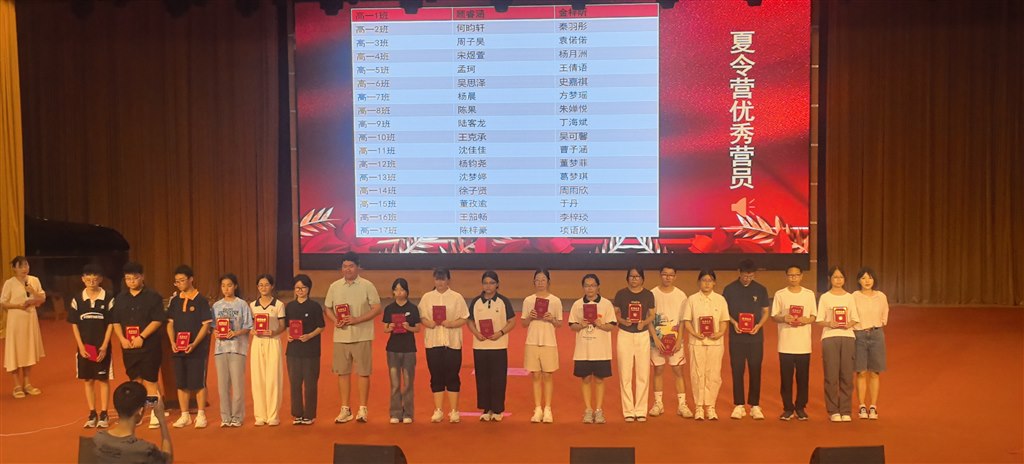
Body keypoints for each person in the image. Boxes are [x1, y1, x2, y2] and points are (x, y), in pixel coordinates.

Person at [323, 252, 382, 424]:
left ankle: (363, 409)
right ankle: (345, 409)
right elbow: (327, 308)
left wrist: (357, 319)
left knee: (363, 372)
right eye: (344, 266)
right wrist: (335, 320)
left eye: (351, 266)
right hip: (341, 337)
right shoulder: (334, 286)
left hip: (362, 335)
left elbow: (377, 308)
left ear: (358, 267)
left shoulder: (367, 285)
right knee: (342, 372)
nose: (347, 269)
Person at [110, 262, 167, 429]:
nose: (131, 282)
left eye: (135, 278)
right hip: (129, 347)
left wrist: (142, 336)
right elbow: (115, 321)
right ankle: (138, 413)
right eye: (128, 279)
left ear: (142, 277)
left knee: (150, 380)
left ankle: (155, 413)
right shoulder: (120, 298)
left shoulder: (153, 297)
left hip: (149, 346)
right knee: (135, 381)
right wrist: (122, 339)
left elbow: (158, 320)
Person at [417, 268, 469, 423]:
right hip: (433, 342)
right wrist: (428, 323)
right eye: (437, 279)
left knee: (452, 375)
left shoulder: (457, 297)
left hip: (452, 342)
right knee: (436, 375)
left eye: (443, 279)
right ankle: (438, 410)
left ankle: (454, 411)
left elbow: (464, 317)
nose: (439, 282)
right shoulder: (427, 297)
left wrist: (451, 323)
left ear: (448, 280)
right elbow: (421, 317)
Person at [165, 265, 213, 429]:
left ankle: (201, 414)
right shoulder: (174, 301)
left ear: (191, 279)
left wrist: (194, 343)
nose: (179, 284)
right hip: (178, 349)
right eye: (176, 281)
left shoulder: (201, 301)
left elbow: (205, 326)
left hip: (196, 349)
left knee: (198, 382)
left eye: (182, 280)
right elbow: (170, 324)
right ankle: (184, 415)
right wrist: (172, 342)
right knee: (181, 382)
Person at [722, 259, 770, 420]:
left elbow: (765, 311)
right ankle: (739, 404)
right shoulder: (729, 289)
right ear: (739, 272)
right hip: (736, 337)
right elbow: (724, 312)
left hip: (755, 338)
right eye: (745, 275)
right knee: (737, 369)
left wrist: (759, 325)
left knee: (755, 369)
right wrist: (734, 323)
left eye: (751, 276)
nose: (747, 278)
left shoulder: (761, 289)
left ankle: (755, 405)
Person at [467, 270, 516, 422]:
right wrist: (476, 333)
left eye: (492, 283)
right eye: (485, 283)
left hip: (498, 346)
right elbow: (470, 321)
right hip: (480, 345)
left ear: (497, 284)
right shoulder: (476, 302)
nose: (488, 286)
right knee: (482, 378)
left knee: (498, 378)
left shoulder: (503, 301)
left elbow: (512, 321)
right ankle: (486, 408)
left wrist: (500, 333)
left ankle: (497, 409)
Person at [770, 265, 818, 421]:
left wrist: (806, 320)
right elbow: (774, 316)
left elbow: (814, 316)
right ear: (787, 276)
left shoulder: (809, 294)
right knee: (786, 379)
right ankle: (788, 408)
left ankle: (801, 407)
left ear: (801, 276)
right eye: (790, 275)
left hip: (803, 344)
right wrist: (784, 318)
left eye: (796, 275)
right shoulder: (780, 294)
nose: (793, 278)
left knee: (803, 378)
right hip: (786, 343)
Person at [68, 264, 114, 428]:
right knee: (88, 379)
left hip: (102, 347)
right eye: (88, 278)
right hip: (85, 347)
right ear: (83, 279)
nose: (92, 281)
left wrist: (104, 345)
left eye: (95, 278)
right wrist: (81, 347)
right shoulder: (77, 299)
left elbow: (111, 323)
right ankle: (92, 413)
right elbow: (74, 324)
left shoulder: (108, 298)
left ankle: (104, 413)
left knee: (103, 379)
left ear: (100, 279)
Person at [681, 269, 729, 420]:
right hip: (697, 342)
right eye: (704, 280)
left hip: (715, 343)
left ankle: (711, 406)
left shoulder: (720, 300)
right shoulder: (692, 299)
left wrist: (720, 333)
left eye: (710, 281)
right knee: (697, 374)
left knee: (714, 374)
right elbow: (687, 321)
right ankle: (699, 407)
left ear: (714, 283)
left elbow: (724, 321)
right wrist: (694, 333)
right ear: (698, 282)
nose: (707, 284)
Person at [568, 273, 616, 424]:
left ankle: (599, 410)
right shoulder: (577, 305)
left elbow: (612, 325)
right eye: (587, 285)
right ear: (583, 287)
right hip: (583, 349)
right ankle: (588, 410)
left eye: (593, 285)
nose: (590, 288)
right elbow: (572, 326)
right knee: (586, 379)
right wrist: (581, 325)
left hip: (601, 350)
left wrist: (600, 324)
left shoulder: (606, 304)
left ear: (598, 287)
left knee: (600, 379)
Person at [816, 265, 861, 423]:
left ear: (845, 279)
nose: (838, 280)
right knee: (831, 375)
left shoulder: (849, 297)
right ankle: (833, 410)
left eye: (841, 277)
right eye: (835, 277)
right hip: (830, 337)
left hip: (847, 337)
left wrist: (848, 324)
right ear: (830, 279)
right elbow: (819, 320)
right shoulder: (825, 297)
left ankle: (846, 410)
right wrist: (830, 323)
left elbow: (855, 318)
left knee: (847, 375)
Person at [648, 264, 692, 419]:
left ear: (675, 277)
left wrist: (679, 340)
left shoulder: (681, 295)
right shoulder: (652, 294)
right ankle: (658, 404)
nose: (668, 277)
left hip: (675, 339)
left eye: (671, 275)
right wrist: (655, 338)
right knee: (658, 370)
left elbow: (683, 320)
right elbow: (649, 319)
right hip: (657, 340)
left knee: (678, 370)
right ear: (660, 275)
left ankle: (682, 405)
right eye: (665, 274)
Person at [612, 266, 656, 422]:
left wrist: (644, 322)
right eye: (631, 276)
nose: (634, 279)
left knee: (643, 374)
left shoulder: (648, 294)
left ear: (642, 278)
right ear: (627, 278)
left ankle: (641, 410)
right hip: (625, 334)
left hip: (642, 335)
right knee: (625, 374)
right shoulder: (621, 294)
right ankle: (628, 410)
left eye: (637, 276)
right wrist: (623, 321)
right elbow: (615, 313)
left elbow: (652, 314)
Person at [93, 380, 173, 464]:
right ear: (140, 411)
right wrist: (162, 419)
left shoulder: (96, 440)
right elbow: (167, 459)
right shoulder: (144, 450)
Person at [520, 269, 563, 423]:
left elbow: (559, 323)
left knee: (548, 375)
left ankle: (548, 408)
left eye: (543, 280)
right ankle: (538, 408)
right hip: (532, 341)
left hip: (549, 342)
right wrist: (530, 317)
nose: (540, 283)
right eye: (537, 280)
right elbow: (523, 323)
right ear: (534, 282)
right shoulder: (528, 300)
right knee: (536, 375)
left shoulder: (555, 301)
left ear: (548, 282)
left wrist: (552, 319)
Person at [2, 256, 46, 399]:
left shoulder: (34, 280)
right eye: (20, 266)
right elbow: (3, 302)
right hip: (16, 319)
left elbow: (42, 299)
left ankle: (27, 383)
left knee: (28, 350)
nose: (24, 269)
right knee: (15, 351)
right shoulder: (9, 283)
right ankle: (16, 385)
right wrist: (18, 306)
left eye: (26, 265)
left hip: (30, 318)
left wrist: (33, 291)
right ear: (14, 268)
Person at [211, 273, 252, 427]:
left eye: (229, 285)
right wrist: (215, 333)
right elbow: (213, 326)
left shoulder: (242, 304)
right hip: (220, 349)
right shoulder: (216, 306)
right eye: (223, 286)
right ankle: (225, 417)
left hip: (237, 348)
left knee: (237, 385)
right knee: (222, 387)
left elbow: (248, 326)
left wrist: (235, 333)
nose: (226, 289)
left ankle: (237, 417)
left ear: (235, 286)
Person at [285, 274, 325, 425]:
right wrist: (288, 335)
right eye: (297, 288)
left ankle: (309, 414)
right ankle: (297, 414)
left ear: (309, 289)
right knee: (295, 383)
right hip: (293, 351)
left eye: (303, 288)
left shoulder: (314, 306)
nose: (300, 290)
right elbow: (287, 325)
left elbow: (321, 326)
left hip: (311, 351)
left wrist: (309, 336)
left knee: (310, 383)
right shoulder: (290, 306)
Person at [382, 278, 421, 424]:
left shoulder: (413, 308)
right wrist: (390, 327)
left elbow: (418, 328)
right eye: (396, 290)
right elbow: (385, 329)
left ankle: (408, 413)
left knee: (408, 383)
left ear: (407, 291)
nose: (399, 292)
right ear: (393, 292)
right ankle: (395, 412)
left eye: (402, 290)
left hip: (409, 349)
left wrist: (408, 327)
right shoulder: (389, 308)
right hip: (392, 349)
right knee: (395, 384)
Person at [249, 274, 285, 426]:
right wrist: (252, 331)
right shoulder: (252, 305)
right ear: (257, 287)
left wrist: (274, 332)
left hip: (273, 342)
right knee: (258, 378)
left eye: (266, 284)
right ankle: (260, 415)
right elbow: (250, 325)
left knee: (273, 378)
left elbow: (282, 326)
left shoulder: (279, 305)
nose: (263, 288)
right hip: (258, 342)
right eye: (260, 285)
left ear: (272, 286)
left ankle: (273, 415)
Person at [853, 267, 889, 420]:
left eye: (870, 278)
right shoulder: (854, 296)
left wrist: (878, 324)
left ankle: (873, 406)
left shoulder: (881, 296)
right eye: (863, 278)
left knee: (874, 372)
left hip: (876, 334)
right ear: (858, 280)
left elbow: (885, 314)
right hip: (859, 334)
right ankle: (862, 405)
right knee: (861, 371)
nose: (867, 281)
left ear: (874, 280)